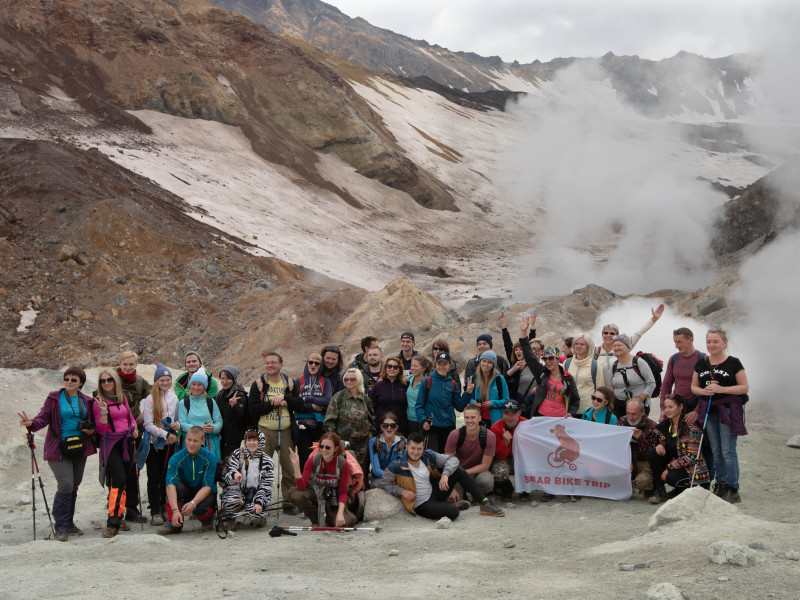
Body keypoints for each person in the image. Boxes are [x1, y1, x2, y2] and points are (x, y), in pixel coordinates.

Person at [17, 366, 97, 542]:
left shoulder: (87, 401)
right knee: (66, 483)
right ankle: (60, 527)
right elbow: (43, 418)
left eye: (73, 380)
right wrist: (31, 423)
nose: (69, 382)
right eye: (66, 379)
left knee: (75, 484)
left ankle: (69, 524)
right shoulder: (54, 398)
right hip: (58, 447)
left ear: (81, 383)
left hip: (79, 446)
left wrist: (91, 430)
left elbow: (93, 422)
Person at [381, 432, 505, 520]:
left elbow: (453, 460)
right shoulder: (396, 465)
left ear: (423, 448)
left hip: (435, 492)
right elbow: (384, 483)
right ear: (407, 447)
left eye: (419, 449)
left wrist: (445, 475)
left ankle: (485, 504)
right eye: (413, 448)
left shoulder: (427, 455)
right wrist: (401, 491)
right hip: (421, 504)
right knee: (453, 512)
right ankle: (452, 506)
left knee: (458, 470)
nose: (416, 452)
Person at [690, 328, 748, 504]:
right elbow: (694, 387)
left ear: (724, 343)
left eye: (716, 341)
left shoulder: (733, 363)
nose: (712, 345)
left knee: (728, 450)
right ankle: (720, 484)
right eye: (709, 341)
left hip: (728, 410)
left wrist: (722, 389)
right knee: (716, 451)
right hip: (709, 409)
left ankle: (733, 487)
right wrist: (704, 391)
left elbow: (744, 387)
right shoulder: (702, 363)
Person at [248, 352, 302, 514]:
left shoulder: (290, 383)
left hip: (285, 431)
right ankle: (258, 502)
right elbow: (253, 409)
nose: (269, 365)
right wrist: (272, 403)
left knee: (289, 468)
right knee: (259, 468)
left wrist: (286, 399)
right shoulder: (258, 384)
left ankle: (289, 502)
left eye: (273, 362)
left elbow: (299, 404)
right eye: (267, 363)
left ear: (281, 365)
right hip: (265, 430)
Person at [93, 368, 140, 538]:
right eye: (103, 381)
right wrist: (104, 412)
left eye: (109, 380)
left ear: (115, 382)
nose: (106, 383)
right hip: (110, 444)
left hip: (126, 442)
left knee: (124, 481)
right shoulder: (99, 401)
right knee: (118, 480)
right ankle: (112, 521)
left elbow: (130, 418)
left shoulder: (122, 399)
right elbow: (100, 429)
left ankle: (118, 517)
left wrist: (134, 429)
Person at [648, 395, 710, 504]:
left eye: (670, 407)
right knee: (653, 452)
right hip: (678, 465)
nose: (667, 410)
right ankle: (659, 489)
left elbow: (692, 457)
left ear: (680, 407)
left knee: (670, 477)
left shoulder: (691, 428)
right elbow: (655, 437)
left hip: (693, 470)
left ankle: (683, 489)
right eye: (666, 407)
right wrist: (659, 444)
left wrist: (669, 467)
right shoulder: (666, 425)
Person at [287, 432, 357, 527]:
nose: (324, 450)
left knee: (346, 523)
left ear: (336, 449)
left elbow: (343, 491)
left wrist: (340, 514)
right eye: (321, 446)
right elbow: (301, 486)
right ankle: (315, 521)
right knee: (296, 494)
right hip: (315, 494)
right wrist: (296, 465)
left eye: (328, 447)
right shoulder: (313, 460)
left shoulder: (343, 464)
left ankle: (330, 517)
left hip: (333, 497)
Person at [140, 363, 180, 526]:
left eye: (168, 379)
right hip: (154, 443)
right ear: (156, 381)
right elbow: (148, 424)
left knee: (166, 476)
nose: (165, 383)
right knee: (154, 477)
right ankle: (155, 510)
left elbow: (176, 418)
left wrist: (177, 425)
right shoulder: (150, 399)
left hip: (170, 443)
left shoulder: (174, 398)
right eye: (162, 380)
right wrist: (166, 434)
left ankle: (165, 506)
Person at [157, 426, 218, 535]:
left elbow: (207, 486)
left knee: (203, 507)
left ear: (203, 441)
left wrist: (193, 503)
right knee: (176, 488)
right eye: (189, 440)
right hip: (186, 489)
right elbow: (170, 484)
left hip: (202, 491)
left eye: (195, 441)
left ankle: (206, 519)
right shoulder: (176, 458)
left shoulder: (210, 457)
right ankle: (174, 521)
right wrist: (175, 510)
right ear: (185, 439)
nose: (191, 444)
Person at [519, 317, 580, 418]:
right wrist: (524, 332)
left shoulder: (568, 377)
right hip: (541, 417)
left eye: (551, 358)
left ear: (557, 359)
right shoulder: (542, 373)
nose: (548, 361)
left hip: (560, 419)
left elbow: (575, 399)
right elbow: (529, 356)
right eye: (545, 359)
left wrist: (571, 413)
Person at [324, 368, 376, 474]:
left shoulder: (365, 399)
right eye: (346, 379)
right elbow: (329, 422)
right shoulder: (339, 397)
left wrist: (370, 437)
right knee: (344, 473)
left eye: (352, 379)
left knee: (362, 473)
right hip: (344, 445)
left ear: (359, 380)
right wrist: (336, 442)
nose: (349, 381)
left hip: (363, 447)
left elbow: (372, 420)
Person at [220, 429, 274, 529]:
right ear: (245, 441)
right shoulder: (237, 454)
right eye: (248, 440)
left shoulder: (267, 461)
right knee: (231, 500)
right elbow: (227, 477)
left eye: (254, 440)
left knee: (256, 517)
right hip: (237, 491)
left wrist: (258, 502)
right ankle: (231, 518)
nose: (251, 443)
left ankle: (259, 517)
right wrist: (234, 475)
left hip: (256, 494)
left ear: (260, 441)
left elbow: (266, 486)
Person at [415, 352, 468, 454]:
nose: (442, 367)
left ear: (449, 365)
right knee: (433, 458)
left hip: (449, 427)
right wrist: (423, 421)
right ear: (435, 365)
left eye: (445, 364)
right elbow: (419, 406)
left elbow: (460, 407)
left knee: (447, 458)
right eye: (439, 364)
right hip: (432, 427)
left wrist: (467, 393)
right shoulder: (427, 381)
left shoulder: (452, 384)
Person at [595, 304, 664, 376]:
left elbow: (639, 333)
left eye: (612, 333)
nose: (608, 335)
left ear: (617, 336)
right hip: (598, 387)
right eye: (606, 333)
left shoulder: (624, 347)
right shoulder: (595, 351)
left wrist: (654, 319)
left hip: (617, 387)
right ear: (602, 334)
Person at [444, 404, 496, 499]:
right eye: (467, 417)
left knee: (487, 481)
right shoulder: (454, 434)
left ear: (479, 418)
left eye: (473, 417)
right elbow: (447, 462)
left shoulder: (489, 436)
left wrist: (464, 473)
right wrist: (451, 488)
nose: (470, 421)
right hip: (459, 472)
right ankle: (463, 493)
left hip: (478, 472)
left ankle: (477, 495)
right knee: (454, 499)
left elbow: (485, 466)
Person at [294, 353, 332, 467]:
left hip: (319, 423)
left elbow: (327, 401)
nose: (313, 365)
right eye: (310, 362)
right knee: (304, 455)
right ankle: (304, 482)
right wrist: (313, 406)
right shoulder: (298, 381)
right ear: (307, 364)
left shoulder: (325, 382)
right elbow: (295, 404)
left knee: (319, 455)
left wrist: (307, 399)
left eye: (317, 363)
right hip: (301, 423)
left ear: (321, 366)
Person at [618, 398, 659, 497]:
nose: (630, 417)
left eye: (634, 414)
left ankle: (651, 486)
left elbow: (651, 455)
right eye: (628, 413)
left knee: (642, 482)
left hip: (644, 462)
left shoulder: (652, 426)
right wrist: (628, 461)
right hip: (626, 461)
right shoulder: (622, 421)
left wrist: (641, 439)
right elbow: (618, 446)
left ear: (643, 412)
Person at [178, 371, 223, 460]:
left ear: (204, 387)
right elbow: (182, 424)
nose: (196, 387)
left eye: (199, 384)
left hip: (210, 445)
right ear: (190, 385)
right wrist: (199, 429)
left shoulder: (211, 402)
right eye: (193, 384)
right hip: (191, 445)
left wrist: (213, 428)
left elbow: (219, 422)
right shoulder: (183, 403)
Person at [609, 334, 655, 419]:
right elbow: (611, 386)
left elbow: (651, 383)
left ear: (628, 346)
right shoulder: (614, 365)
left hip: (638, 407)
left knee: (637, 431)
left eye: (620, 345)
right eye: (614, 346)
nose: (616, 348)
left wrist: (639, 399)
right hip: (618, 407)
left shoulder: (639, 362)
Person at [489, 400, 528, 500]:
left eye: (513, 414)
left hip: (523, 460)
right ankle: (507, 488)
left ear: (519, 413)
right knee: (498, 472)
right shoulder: (495, 428)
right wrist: (505, 443)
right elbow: (500, 456)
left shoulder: (527, 425)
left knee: (531, 464)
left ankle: (525, 489)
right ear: (502, 412)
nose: (509, 417)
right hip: (506, 460)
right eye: (506, 413)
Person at [462, 350, 510, 426]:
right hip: (478, 419)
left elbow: (506, 400)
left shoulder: (500, 379)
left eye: (489, 362)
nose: (486, 364)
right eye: (484, 361)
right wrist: (473, 402)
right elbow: (469, 398)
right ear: (480, 362)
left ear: (493, 365)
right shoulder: (473, 378)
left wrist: (493, 403)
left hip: (495, 420)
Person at [564, 333, 608, 415]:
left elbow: (600, 389)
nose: (578, 346)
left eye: (582, 344)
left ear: (588, 346)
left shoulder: (595, 365)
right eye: (576, 344)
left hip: (588, 411)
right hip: (568, 410)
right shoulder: (567, 363)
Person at [369, 356, 409, 435]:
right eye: (389, 366)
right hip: (382, 427)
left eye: (395, 367)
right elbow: (370, 407)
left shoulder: (405, 385)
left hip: (401, 427)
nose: (392, 369)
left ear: (399, 369)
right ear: (385, 368)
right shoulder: (378, 386)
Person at [216, 365, 248, 460]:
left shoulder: (239, 394)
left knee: (230, 464)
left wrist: (234, 406)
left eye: (228, 379)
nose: (224, 382)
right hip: (221, 436)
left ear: (234, 379)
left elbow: (242, 417)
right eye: (222, 378)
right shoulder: (220, 393)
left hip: (232, 438)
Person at [368, 412, 406, 484]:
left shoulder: (404, 442)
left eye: (393, 425)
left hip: (398, 477)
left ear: (397, 427)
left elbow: (403, 466)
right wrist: (392, 479)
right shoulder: (373, 442)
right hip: (380, 478)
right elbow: (376, 470)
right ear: (381, 427)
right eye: (385, 425)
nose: (389, 428)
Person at [117, 350, 151, 426]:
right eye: (125, 364)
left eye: (131, 364)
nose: (128, 367)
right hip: (115, 427)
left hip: (136, 425)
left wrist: (145, 414)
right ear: (119, 364)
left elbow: (155, 396)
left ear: (136, 364)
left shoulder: (140, 382)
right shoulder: (111, 379)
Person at [405, 355, 431, 434]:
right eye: (412, 365)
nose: (412, 368)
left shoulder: (428, 383)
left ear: (423, 368)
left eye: (416, 366)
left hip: (422, 421)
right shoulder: (408, 380)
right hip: (408, 420)